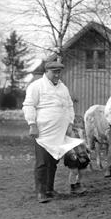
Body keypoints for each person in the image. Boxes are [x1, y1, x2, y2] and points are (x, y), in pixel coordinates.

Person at [22, 61, 85, 203]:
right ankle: (41, 192)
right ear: (47, 72)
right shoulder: (36, 86)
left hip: (60, 132)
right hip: (43, 132)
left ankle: (49, 189)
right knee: (42, 162)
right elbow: (28, 105)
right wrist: (32, 124)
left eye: (59, 72)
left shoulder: (63, 87)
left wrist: (70, 123)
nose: (57, 75)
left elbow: (69, 106)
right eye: (54, 72)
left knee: (53, 162)